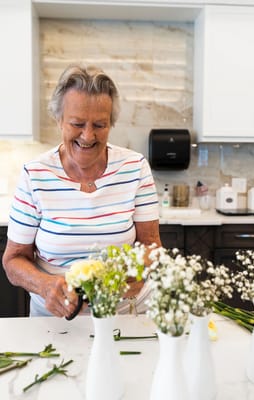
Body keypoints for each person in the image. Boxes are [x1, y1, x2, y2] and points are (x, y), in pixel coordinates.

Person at [2, 63, 161, 318]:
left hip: (127, 312)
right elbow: (13, 261)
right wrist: (44, 285)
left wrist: (138, 271)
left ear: (111, 123)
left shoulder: (135, 167)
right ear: (59, 120)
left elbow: (152, 245)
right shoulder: (36, 174)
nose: (88, 136)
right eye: (77, 123)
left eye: (99, 125)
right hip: (55, 317)